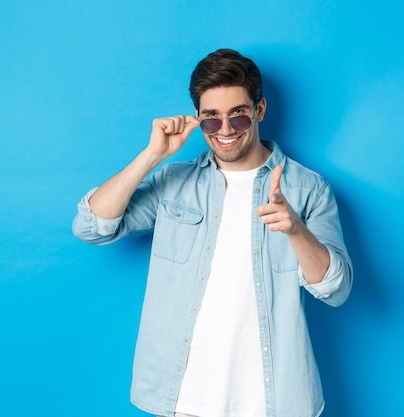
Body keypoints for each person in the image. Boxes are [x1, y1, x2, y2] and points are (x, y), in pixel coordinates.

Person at [72, 48, 353, 417]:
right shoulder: (175, 182)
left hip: (273, 400)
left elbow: (337, 290)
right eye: (211, 120)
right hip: (184, 397)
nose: (224, 131)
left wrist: (295, 230)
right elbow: (91, 227)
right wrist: (152, 156)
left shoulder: (307, 190)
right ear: (199, 120)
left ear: (260, 111)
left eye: (238, 117)